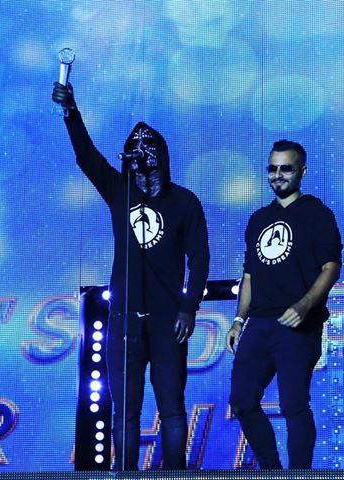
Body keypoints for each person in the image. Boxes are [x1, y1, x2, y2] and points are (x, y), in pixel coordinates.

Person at [52, 82, 210, 470]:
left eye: (147, 144)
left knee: (172, 409)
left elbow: (200, 259)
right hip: (124, 322)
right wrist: (71, 112)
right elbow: (86, 157)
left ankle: (175, 476)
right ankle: (126, 475)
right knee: (125, 413)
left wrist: (188, 308)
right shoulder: (119, 192)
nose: (139, 149)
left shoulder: (184, 202)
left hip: (167, 322)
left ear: (161, 154)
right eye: (134, 144)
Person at [226, 140, 342, 469]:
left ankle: (299, 475)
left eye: (286, 169)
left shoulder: (317, 213)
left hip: (298, 325)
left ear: (302, 171)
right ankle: (272, 472)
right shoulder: (258, 219)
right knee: (242, 400)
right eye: (272, 169)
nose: (278, 175)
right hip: (259, 324)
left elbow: (331, 267)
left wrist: (305, 305)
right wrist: (238, 321)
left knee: (293, 404)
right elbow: (249, 276)